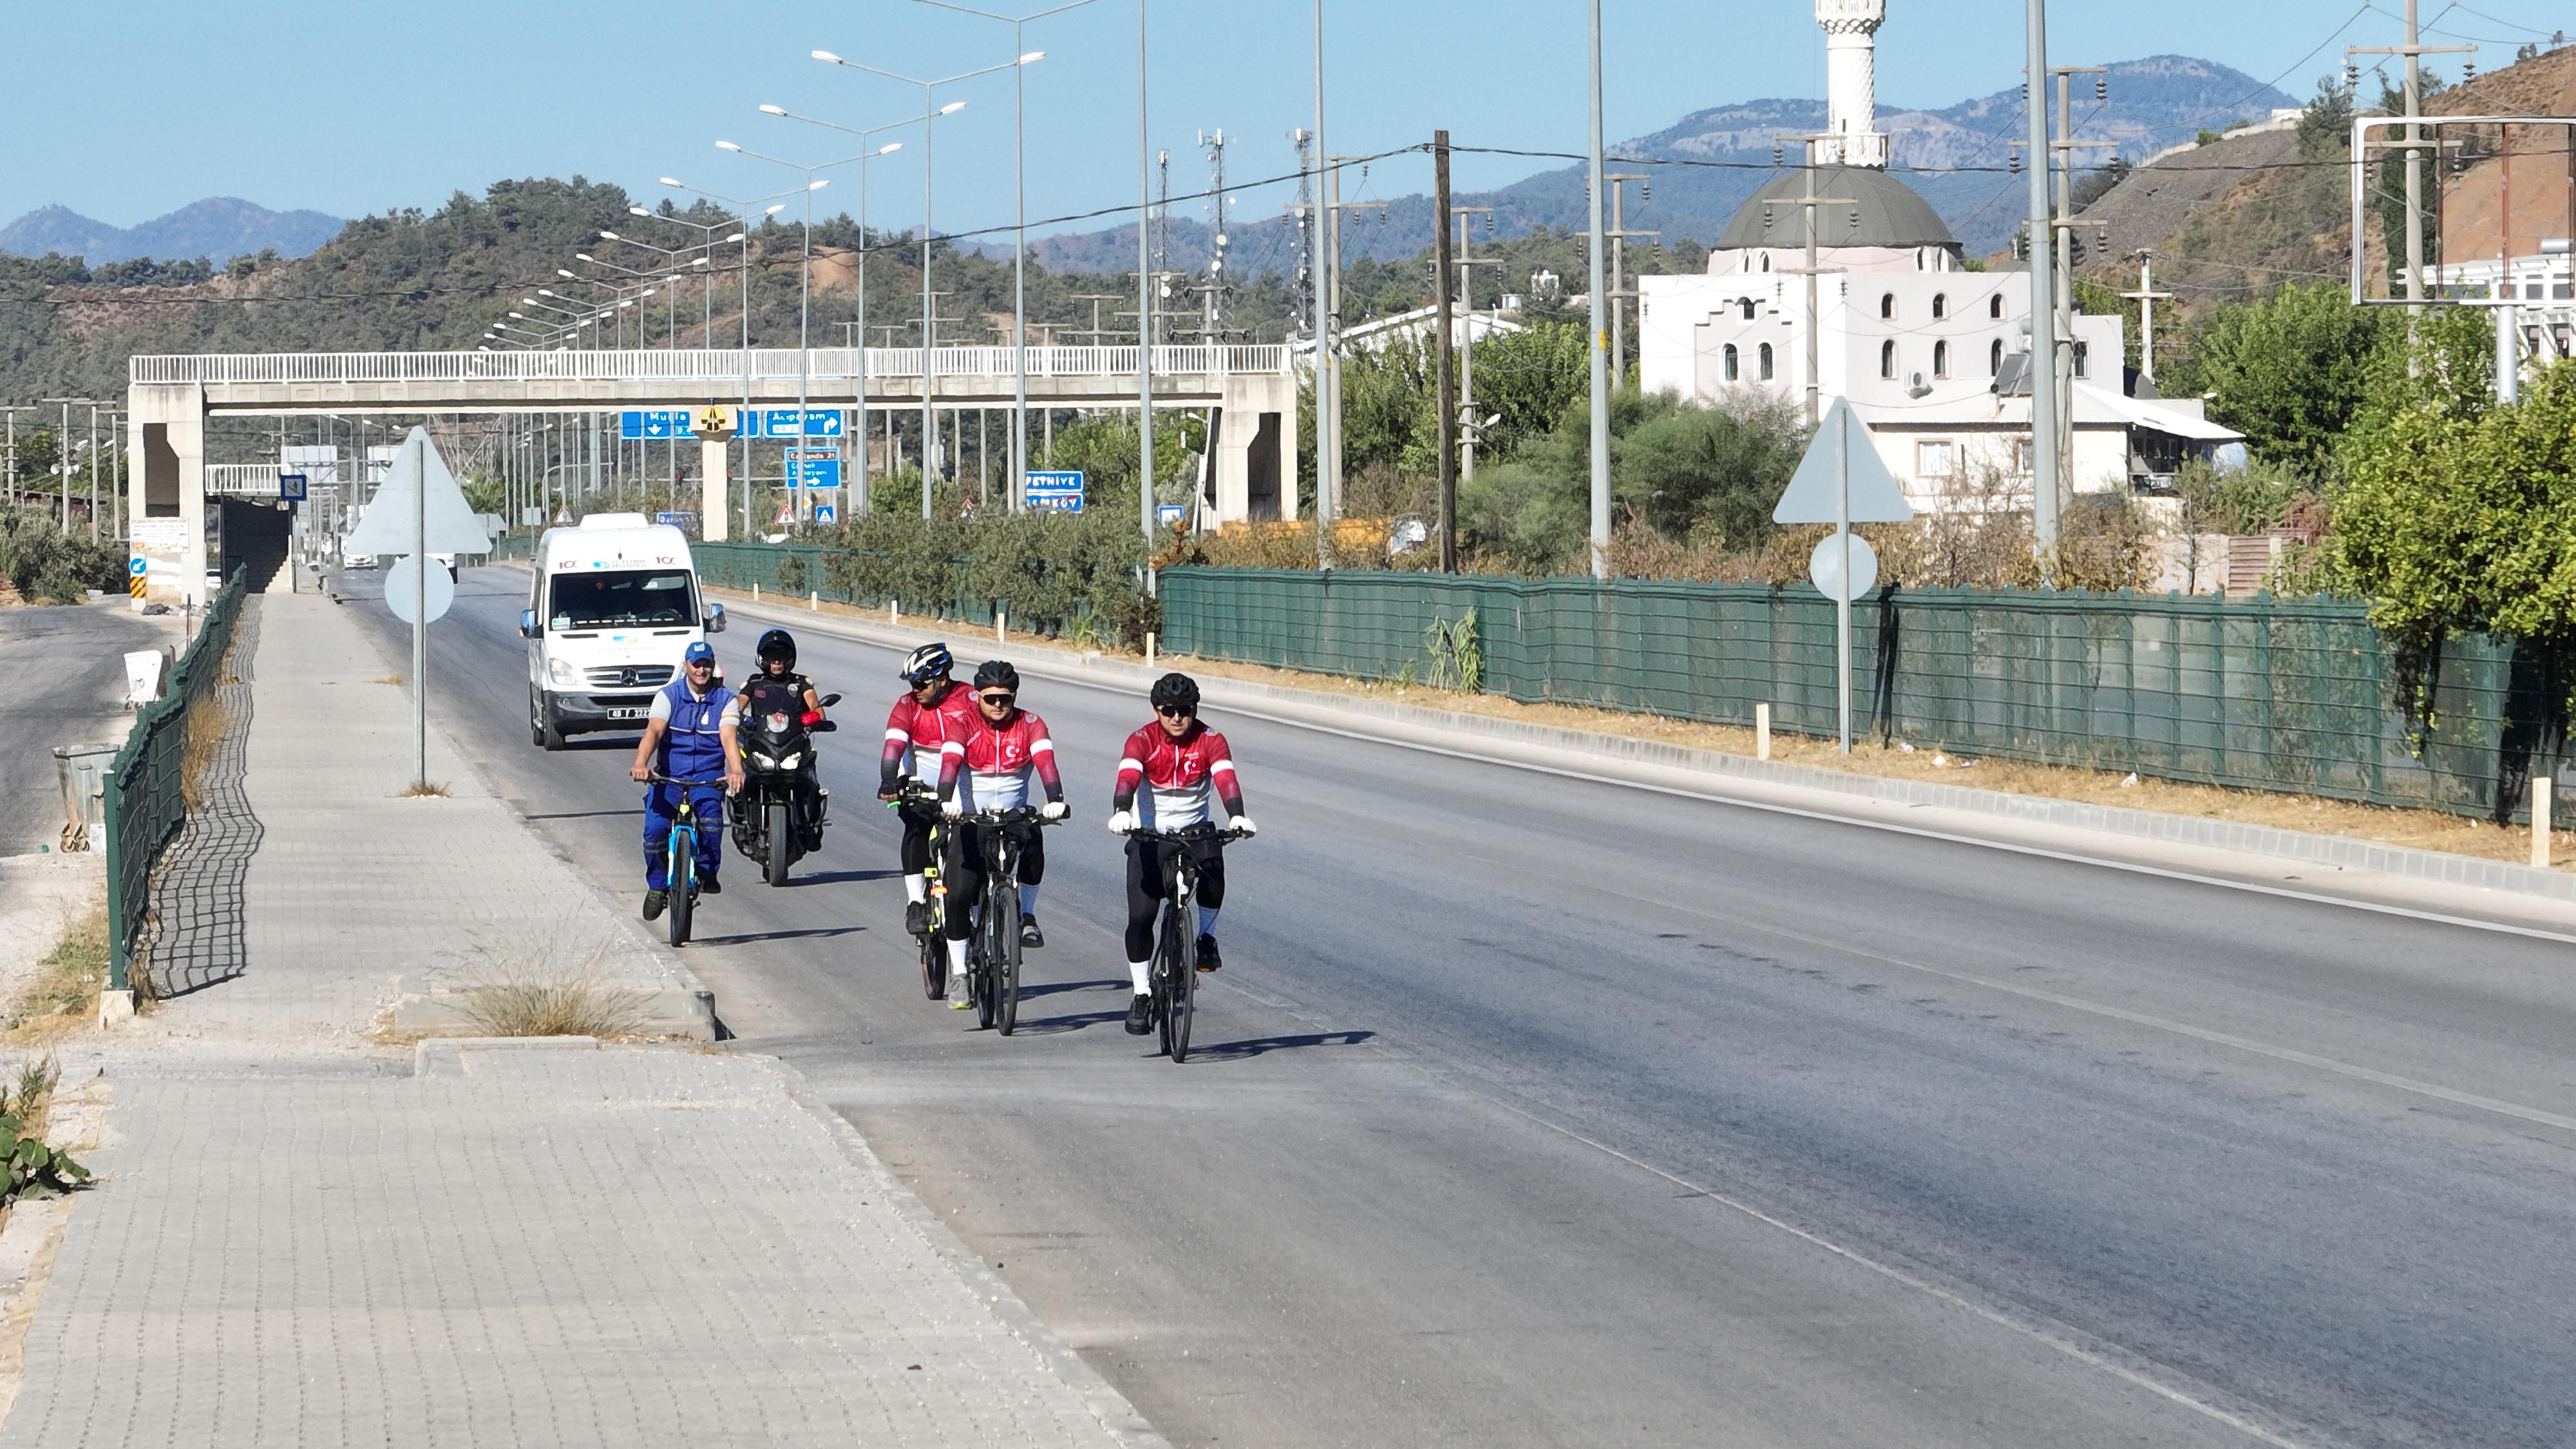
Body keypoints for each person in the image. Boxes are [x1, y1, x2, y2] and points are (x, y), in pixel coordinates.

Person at [1106, 672, 1255, 1034]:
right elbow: (1127, 776)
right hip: (1149, 835)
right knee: (1141, 918)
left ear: (1195, 709)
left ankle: (1205, 937)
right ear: (1157, 710)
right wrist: (1122, 810)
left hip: (1194, 831)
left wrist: (1237, 815)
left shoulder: (1211, 740)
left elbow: (1225, 779)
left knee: (1214, 870)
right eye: (1169, 710)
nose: (1177, 717)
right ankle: (1141, 993)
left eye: (1185, 710)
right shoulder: (1141, 739)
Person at [935, 660, 1069, 1007]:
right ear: (977, 696)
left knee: (1036, 838)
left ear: (1014, 697)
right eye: (991, 698)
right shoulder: (961, 723)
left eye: (1005, 699)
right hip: (970, 818)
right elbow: (950, 763)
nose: (998, 705)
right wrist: (947, 799)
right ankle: (961, 974)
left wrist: (1055, 799)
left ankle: (1026, 915)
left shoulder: (1031, 724)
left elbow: (1046, 763)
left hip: (1013, 817)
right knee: (959, 896)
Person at [629, 640, 745, 920]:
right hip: (669, 777)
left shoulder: (726, 700)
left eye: (707, 664)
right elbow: (654, 732)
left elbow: (729, 737)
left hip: (707, 776)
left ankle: (706, 870)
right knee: (655, 831)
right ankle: (657, 886)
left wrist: (736, 770)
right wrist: (641, 764)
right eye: (696, 664)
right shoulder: (668, 696)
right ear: (686, 666)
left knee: (712, 821)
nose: (702, 670)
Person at [878, 642, 976, 938]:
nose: (915, 689)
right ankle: (916, 902)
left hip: (963, 788)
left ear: (942, 680)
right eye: (912, 683)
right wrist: (888, 780)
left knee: (974, 842)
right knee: (915, 827)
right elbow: (894, 746)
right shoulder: (907, 704)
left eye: (921, 683)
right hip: (922, 786)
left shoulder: (970, 698)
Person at [739, 628, 828, 851]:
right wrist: (737, 720)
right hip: (762, 742)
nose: (777, 661)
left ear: (791, 658)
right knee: (738, 777)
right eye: (771, 656)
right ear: (762, 658)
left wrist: (804, 721)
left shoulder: (801, 684)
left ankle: (812, 820)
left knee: (811, 779)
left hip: (793, 743)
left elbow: (817, 712)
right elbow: (736, 708)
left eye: (782, 656)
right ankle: (741, 817)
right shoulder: (754, 683)